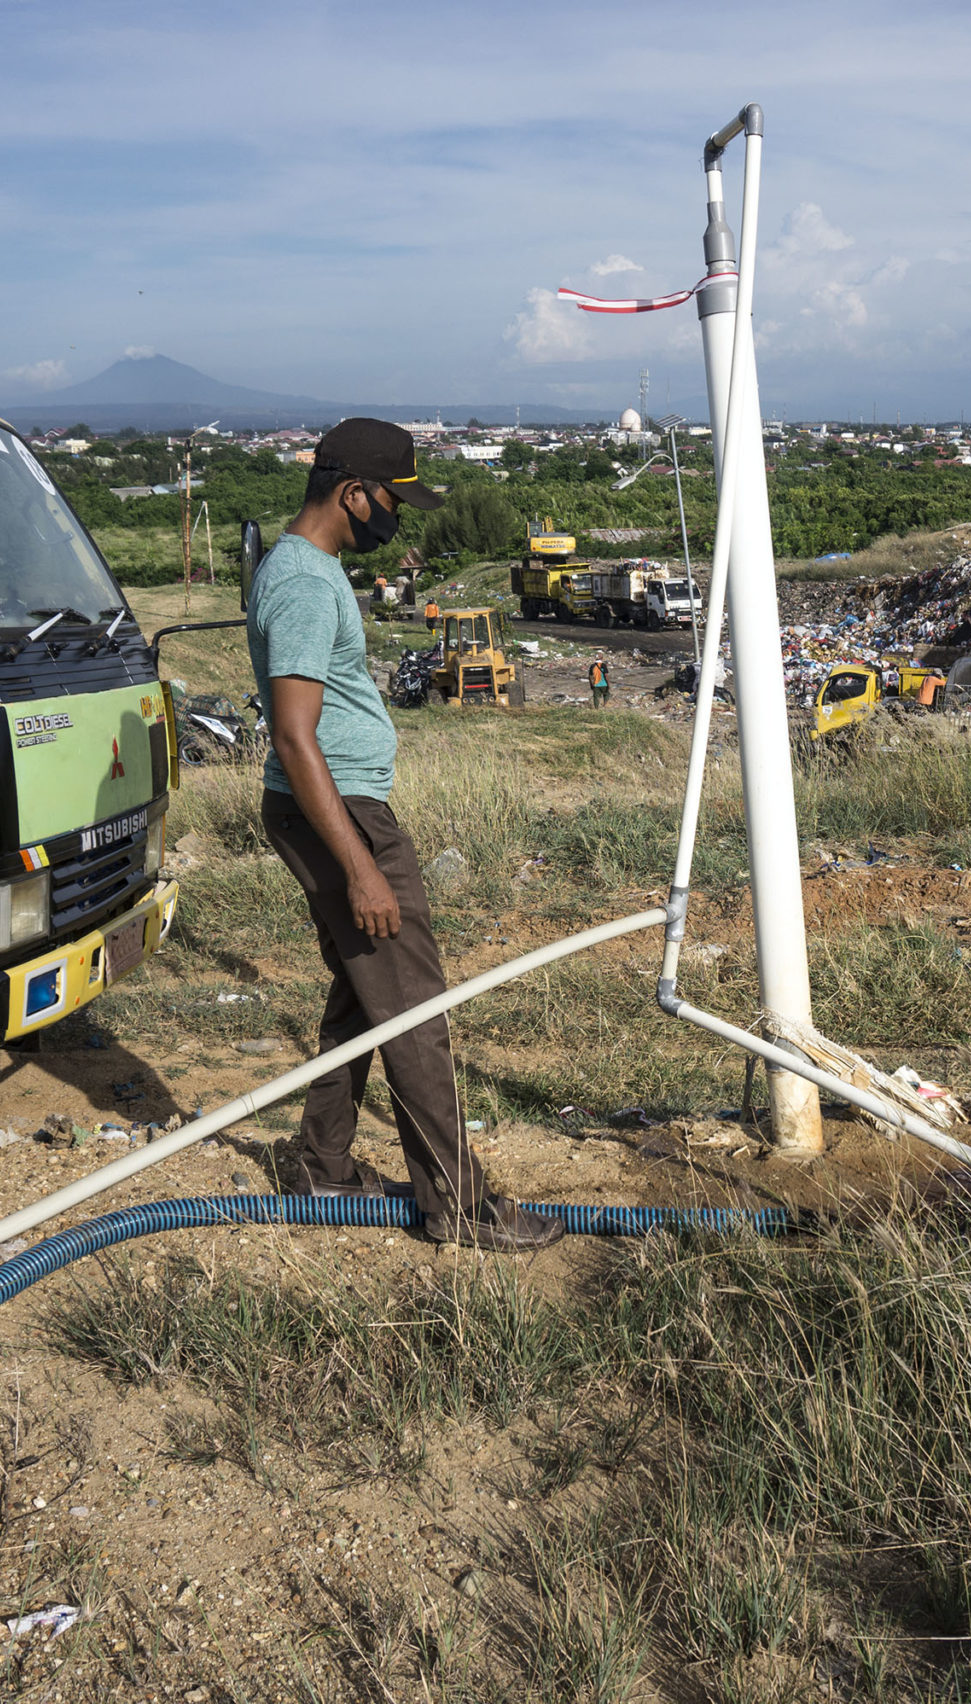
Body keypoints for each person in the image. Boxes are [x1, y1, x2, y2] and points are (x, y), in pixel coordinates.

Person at [248, 418, 561, 1252]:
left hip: (337, 807)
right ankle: (459, 1204)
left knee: (366, 990)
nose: (398, 514)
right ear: (352, 492)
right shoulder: (307, 583)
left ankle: (320, 1163)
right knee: (414, 1005)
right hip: (339, 815)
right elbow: (292, 734)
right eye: (392, 497)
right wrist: (360, 865)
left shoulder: (305, 571)